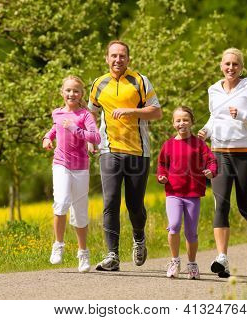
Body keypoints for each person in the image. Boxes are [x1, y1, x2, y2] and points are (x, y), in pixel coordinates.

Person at [198, 48, 247, 278]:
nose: (230, 68)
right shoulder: (213, 89)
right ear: (221, 65)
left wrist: (244, 115)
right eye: (227, 64)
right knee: (220, 205)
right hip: (220, 152)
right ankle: (222, 257)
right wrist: (206, 130)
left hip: (246, 153)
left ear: (241, 67)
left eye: (235, 64)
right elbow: (215, 116)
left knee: (244, 207)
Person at [88, 40, 162, 271]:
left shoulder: (139, 81)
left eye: (122, 56)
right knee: (110, 201)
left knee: (134, 205)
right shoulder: (99, 84)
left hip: (138, 152)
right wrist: (91, 138)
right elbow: (90, 113)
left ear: (128, 59)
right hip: (109, 150)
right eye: (113, 55)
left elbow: (157, 112)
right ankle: (112, 255)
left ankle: (139, 238)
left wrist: (132, 111)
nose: (117, 59)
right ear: (106, 58)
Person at [43, 75, 101, 272]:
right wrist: (47, 137)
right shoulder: (57, 113)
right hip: (61, 164)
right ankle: (58, 245)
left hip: (80, 167)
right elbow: (55, 128)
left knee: (80, 212)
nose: (71, 94)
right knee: (61, 201)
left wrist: (75, 128)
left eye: (76, 91)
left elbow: (95, 137)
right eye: (68, 90)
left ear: (81, 94)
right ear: (62, 92)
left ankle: (83, 253)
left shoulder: (85, 116)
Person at [157, 106, 217, 279]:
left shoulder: (199, 144)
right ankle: (175, 261)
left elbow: (211, 160)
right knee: (174, 225)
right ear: (173, 123)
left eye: (185, 119)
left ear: (191, 122)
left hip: (192, 193)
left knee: (191, 232)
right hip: (173, 192)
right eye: (178, 120)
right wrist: (162, 176)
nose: (182, 123)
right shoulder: (168, 145)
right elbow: (162, 165)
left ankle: (192, 264)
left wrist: (210, 171)